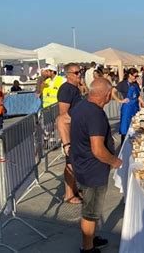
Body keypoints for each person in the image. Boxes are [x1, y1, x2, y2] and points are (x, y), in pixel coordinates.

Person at [70, 78, 122, 253]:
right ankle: (87, 248)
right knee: (91, 213)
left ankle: (91, 239)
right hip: (93, 170)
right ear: (107, 95)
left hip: (81, 165)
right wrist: (115, 161)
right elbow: (98, 150)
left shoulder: (80, 106)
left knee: (90, 208)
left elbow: (62, 120)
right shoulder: (96, 114)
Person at [56, 63, 83, 204]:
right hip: (71, 132)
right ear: (68, 74)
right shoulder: (66, 90)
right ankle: (69, 194)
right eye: (76, 73)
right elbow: (63, 115)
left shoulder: (75, 88)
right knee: (71, 163)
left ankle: (74, 190)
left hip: (77, 131)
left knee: (75, 162)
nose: (79, 75)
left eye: (80, 72)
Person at [112, 68, 144, 144]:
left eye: (137, 76)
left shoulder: (135, 84)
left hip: (135, 107)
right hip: (127, 109)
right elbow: (113, 92)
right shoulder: (122, 84)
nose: (136, 77)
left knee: (135, 125)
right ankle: (123, 146)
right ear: (129, 75)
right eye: (135, 76)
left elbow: (137, 96)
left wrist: (143, 102)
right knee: (125, 127)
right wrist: (120, 100)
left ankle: (135, 143)